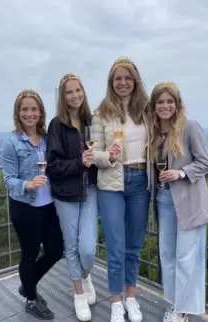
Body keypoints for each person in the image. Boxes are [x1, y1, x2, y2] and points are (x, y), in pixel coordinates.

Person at [90, 57, 152, 322]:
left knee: (134, 246)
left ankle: (130, 297)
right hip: (110, 184)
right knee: (115, 246)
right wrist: (110, 157)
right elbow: (93, 153)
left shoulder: (147, 110)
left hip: (140, 181)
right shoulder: (101, 112)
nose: (123, 82)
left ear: (135, 79)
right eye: (118, 78)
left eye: (128, 77)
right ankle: (116, 302)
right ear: (111, 82)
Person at [148, 82, 208, 322]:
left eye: (169, 101)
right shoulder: (154, 132)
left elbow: (205, 162)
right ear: (154, 106)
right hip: (164, 199)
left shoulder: (189, 127)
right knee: (167, 254)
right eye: (160, 102)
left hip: (188, 200)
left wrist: (181, 173)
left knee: (186, 257)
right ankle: (176, 303)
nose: (165, 106)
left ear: (177, 104)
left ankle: (182, 311)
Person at [0, 88, 64, 320]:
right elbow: (8, 180)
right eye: (25, 109)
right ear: (18, 113)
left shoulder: (48, 138)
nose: (30, 113)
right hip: (25, 207)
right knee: (29, 254)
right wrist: (28, 184)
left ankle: (28, 284)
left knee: (56, 251)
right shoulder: (12, 143)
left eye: (34, 109)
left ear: (41, 112)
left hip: (49, 206)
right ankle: (31, 299)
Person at [46, 73, 99, 322]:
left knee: (88, 249)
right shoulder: (56, 125)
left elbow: (97, 155)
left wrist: (109, 154)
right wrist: (79, 163)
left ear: (83, 92)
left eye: (78, 90)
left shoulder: (92, 121)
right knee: (72, 246)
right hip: (66, 195)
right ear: (63, 96)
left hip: (90, 191)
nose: (75, 95)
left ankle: (85, 275)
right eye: (69, 92)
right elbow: (52, 165)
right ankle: (78, 293)